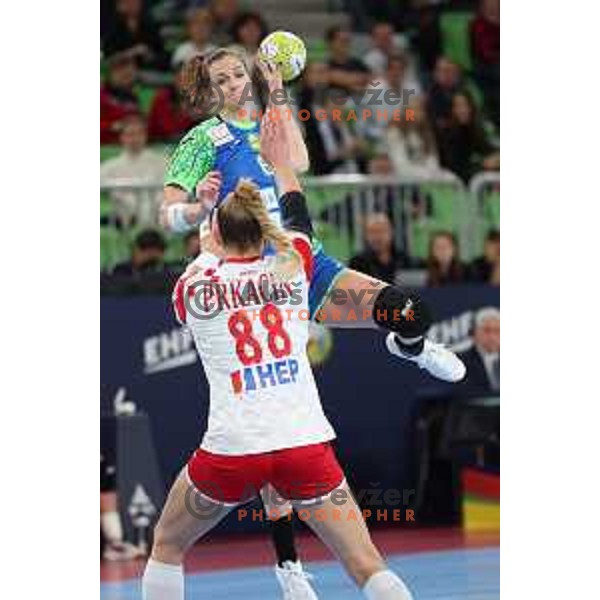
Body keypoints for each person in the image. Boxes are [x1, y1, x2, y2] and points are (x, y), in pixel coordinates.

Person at [142, 155, 416, 600]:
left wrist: (204, 211)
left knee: (168, 546)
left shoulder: (193, 287)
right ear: (262, 230)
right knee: (366, 563)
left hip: (231, 452)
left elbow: (207, 258)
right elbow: (297, 217)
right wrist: (284, 165)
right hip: (304, 447)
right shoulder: (293, 268)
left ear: (214, 233)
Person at [160, 48, 465, 384]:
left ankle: (413, 349)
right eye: (221, 80)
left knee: (408, 313)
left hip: (308, 270)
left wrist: (276, 86)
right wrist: (199, 209)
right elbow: (169, 215)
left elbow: (298, 161)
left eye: (238, 74)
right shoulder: (202, 140)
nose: (233, 84)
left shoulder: (267, 127)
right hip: (253, 285)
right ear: (208, 92)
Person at [100, 115, 166, 226]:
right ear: (121, 137)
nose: (135, 139)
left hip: (159, 220)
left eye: (139, 133)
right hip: (124, 223)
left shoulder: (163, 162)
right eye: (130, 134)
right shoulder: (109, 167)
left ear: (145, 135)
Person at [438, 92, 500, 183]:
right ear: (452, 109)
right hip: (455, 184)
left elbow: (487, 148)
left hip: (476, 177)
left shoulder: (473, 129)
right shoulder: (448, 134)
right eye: (458, 106)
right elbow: (456, 167)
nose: (462, 110)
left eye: (465, 105)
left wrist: (496, 156)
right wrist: (484, 164)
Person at [102, 0, 168, 71]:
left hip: (148, 70)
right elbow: (107, 59)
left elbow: (161, 53)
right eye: (129, 2)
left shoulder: (150, 25)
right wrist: (130, 53)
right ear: (119, 5)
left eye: (136, 2)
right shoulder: (112, 27)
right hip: (120, 71)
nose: (133, 5)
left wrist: (149, 55)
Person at [349, 214, 407, 284]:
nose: (377, 237)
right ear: (366, 235)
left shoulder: (403, 258)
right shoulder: (357, 263)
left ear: (391, 232)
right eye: (372, 232)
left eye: (382, 231)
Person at [147, 63, 199, 142]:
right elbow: (162, 128)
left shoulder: (198, 100)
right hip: (159, 143)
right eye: (181, 78)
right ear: (174, 78)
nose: (184, 83)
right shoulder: (162, 98)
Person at [100, 51, 141, 144]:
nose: (127, 79)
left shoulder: (133, 97)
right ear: (111, 72)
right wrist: (112, 126)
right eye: (123, 74)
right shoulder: (100, 95)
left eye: (130, 75)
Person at [458, 307, 500, 397]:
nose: (492, 337)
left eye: (497, 331)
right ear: (475, 333)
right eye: (487, 330)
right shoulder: (462, 362)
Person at [470, 0, 500, 125]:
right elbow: (484, 50)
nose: (492, 7)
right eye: (488, 5)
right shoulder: (477, 24)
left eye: (495, 4)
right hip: (487, 68)